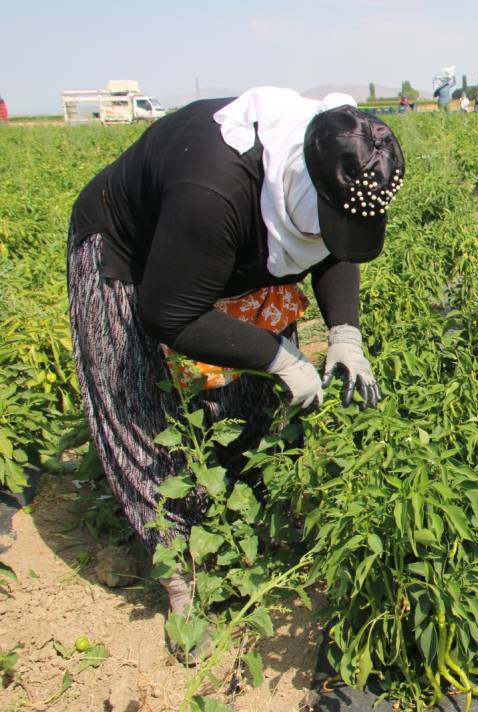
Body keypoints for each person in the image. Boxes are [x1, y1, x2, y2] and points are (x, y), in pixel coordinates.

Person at [66, 87, 405, 655]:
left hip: (223, 250)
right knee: (137, 402)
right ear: (305, 183)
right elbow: (169, 312)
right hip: (132, 252)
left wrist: (345, 333)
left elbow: (334, 250)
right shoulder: (216, 189)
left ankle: (238, 517)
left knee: (250, 400)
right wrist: (280, 356)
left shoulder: (335, 170)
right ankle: (178, 566)